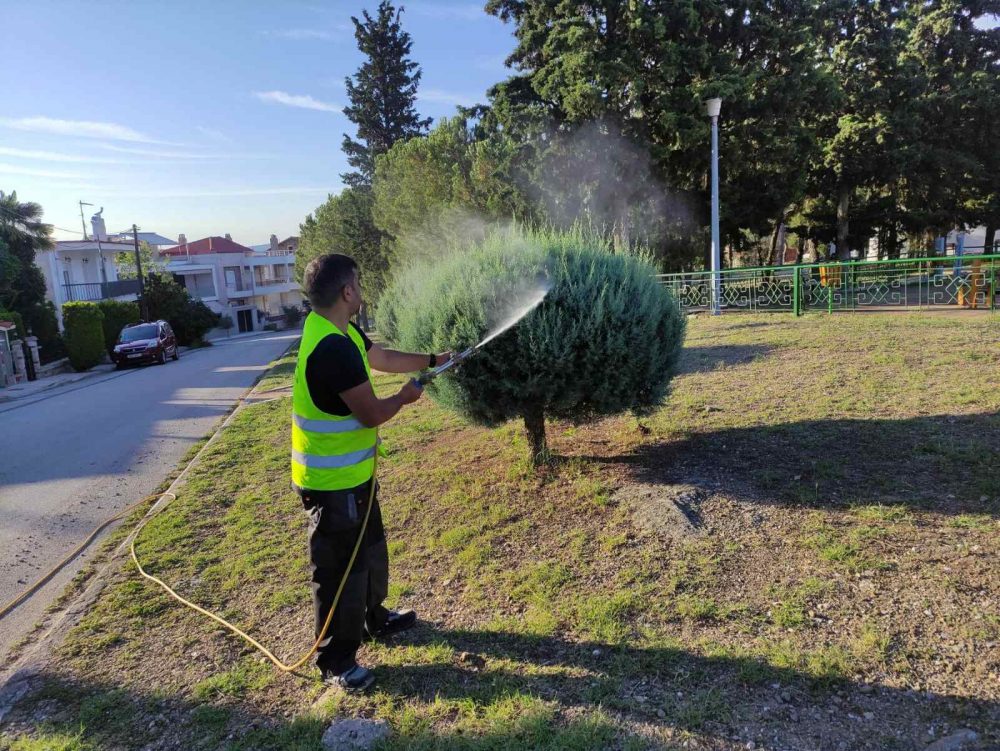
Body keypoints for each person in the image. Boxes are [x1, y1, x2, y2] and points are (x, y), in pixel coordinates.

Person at [292, 253, 450, 691]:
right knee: (340, 570)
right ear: (347, 292)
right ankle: (337, 661)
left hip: (354, 478)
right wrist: (404, 398)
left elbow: (380, 356)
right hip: (332, 484)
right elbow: (371, 413)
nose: (361, 291)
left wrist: (432, 359)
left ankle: (373, 617)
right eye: (358, 284)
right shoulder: (333, 348)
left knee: (372, 549)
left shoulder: (335, 328)